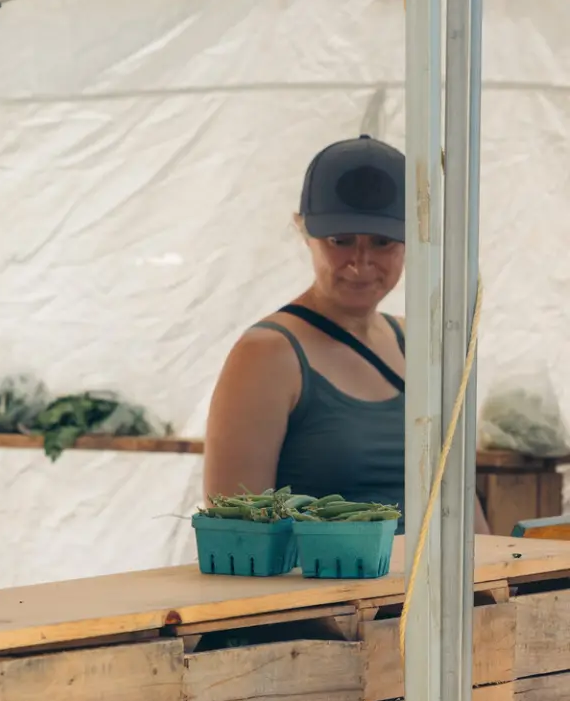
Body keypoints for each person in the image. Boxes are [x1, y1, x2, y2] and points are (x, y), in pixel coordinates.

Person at [205, 135, 489, 532]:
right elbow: (236, 537)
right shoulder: (267, 355)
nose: (361, 263)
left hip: (424, 596)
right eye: (340, 241)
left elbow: (462, 509)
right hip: (327, 596)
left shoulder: (420, 344)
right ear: (302, 230)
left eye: (383, 242)